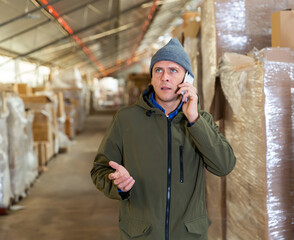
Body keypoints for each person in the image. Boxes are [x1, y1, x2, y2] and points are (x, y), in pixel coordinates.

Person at [91, 38, 236, 240]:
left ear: (188, 78)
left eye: (173, 70)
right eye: (158, 70)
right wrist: (117, 184)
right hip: (140, 234)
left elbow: (224, 165)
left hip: (188, 235)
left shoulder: (200, 121)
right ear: (151, 78)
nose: (165, 77)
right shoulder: (126, 119)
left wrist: (194, 119)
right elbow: (100, 170)